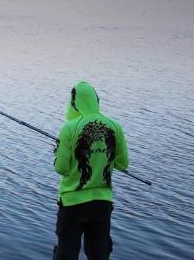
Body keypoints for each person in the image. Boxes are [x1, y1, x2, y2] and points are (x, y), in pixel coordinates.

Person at [53, 81, 129, 260]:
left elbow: (61, 168)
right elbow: (122, 164)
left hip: (72, 204)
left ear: (74, 102)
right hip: (102, 204)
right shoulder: (114, 125)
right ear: (96, 100)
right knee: (99, 256)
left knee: (67, 256)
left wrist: (59, 151)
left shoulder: (69, 128)